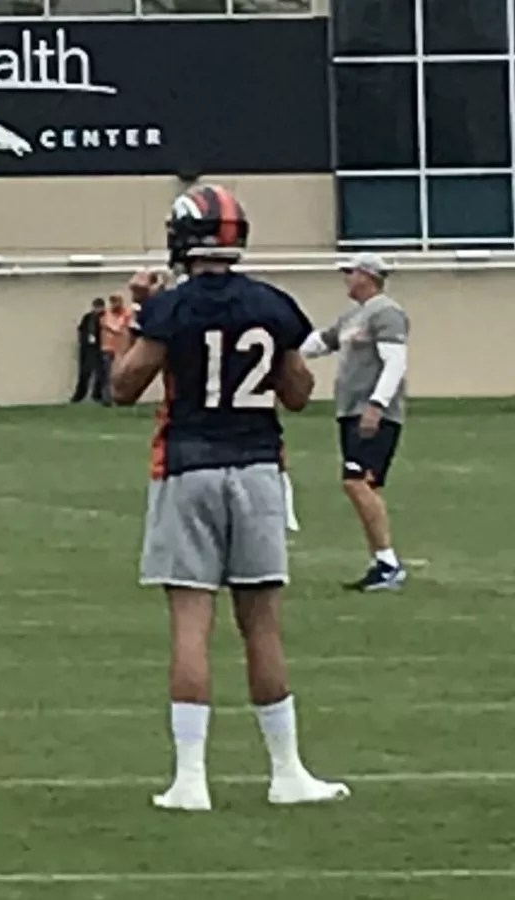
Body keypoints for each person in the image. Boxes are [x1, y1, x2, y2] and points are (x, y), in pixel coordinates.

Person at [111, 183, 349, 814]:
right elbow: (298, 392)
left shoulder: (171, 307)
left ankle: (190, 780)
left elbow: (123, 386)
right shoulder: (272, 304)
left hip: (188, 465)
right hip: (259, 466)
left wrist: (140, 315)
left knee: (192, 624)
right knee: (262, 625)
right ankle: (286, 771)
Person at [301, 253, 410, 591]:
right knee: (364, 485)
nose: (346, 278)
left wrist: (377, 405)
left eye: (350, 272)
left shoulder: (386, 313)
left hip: (371, 413)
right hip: (350, 411)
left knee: (356, 481)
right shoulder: (352, 316)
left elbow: (395, 363)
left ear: (367, 275)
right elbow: (320, 343)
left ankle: (388, 563)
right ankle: (380, 561)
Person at [69, 298, 106, 403]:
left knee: (100, 373)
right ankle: (79, 395)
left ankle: (97, 395)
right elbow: (81, 330)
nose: (97, 309)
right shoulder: (88, 317)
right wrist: (82, 341)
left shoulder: (105, 317)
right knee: (84, 372)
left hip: (99, 348)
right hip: (87, 348)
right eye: (96, 307)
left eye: (99, 307)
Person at [99, 294, 133, 406]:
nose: (115, 304)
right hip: (108, 348)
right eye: (113, 301)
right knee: (108, 375)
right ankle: (107, 399)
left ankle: (122, 398)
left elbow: (129, 326)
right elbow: (115, 328)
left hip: (122, 349)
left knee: (122, 375)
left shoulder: (127, 314)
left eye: (117, 301)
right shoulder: (106, 315)